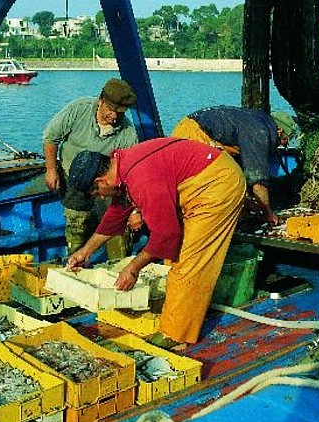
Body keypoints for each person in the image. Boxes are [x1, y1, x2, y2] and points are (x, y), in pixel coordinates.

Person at [65, 138, 247, 349]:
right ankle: (181, 310)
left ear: (100, 182)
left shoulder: (142, 179)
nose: (99, 198)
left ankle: (175, 335)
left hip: (218, 185)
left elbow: (167, 236)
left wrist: (133, 268)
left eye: (96, 194)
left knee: (189, 263)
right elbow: (116, 214)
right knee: (175, 259)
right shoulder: (122, 167)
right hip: (203, 177)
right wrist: (85, 252)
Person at [42, 78, 139, 259]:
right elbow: (50, 137)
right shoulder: (79, 109)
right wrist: (51, 169)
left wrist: (133, 211)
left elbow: (130, 175)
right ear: (100, 100)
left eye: (120, 112)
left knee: (116, 228)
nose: (115, 116)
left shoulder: (127, 133)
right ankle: (76, 262)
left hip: (106, 185)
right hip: (74, 179)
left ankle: (118, 265)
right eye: (111, 110)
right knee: (76, 223)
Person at [172, 106, 298, 225]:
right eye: (285, 140)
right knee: (208, 190)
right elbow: (258, 181)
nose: (282, 145)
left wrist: (247, 202)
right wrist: (268, 213)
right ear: (280, 130)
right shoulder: (260, 133)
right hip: (194, 135)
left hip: (189, 126)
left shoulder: (258, 120)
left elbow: (241, 170)